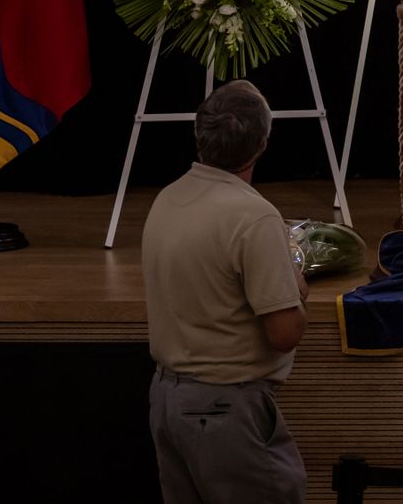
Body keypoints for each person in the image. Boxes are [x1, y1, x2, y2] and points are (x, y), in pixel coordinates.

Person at [142, 79, 309, 504]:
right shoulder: (254, 217)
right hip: (223, 410)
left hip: (166, 401)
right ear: (261, 144)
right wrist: (295, 285)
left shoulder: (167, 198)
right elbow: (284, 333)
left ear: (201, 136)